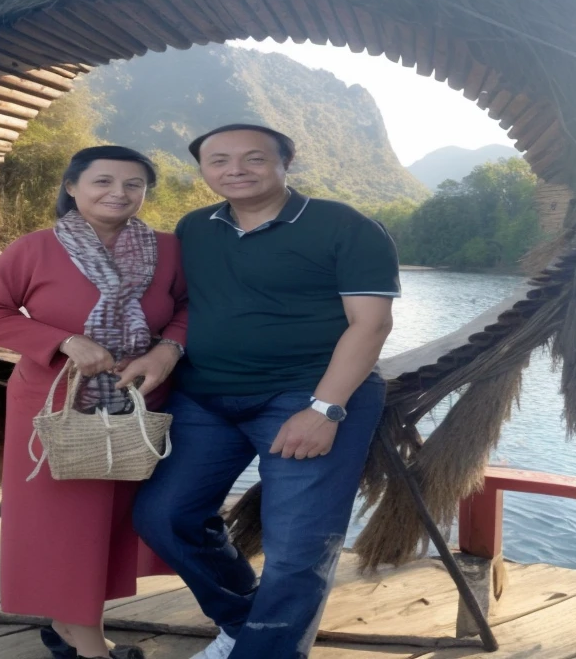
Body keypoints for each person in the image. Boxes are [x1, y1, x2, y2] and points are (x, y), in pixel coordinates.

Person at [126, 125, 399, 659]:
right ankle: (245, 625)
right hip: (205, 398)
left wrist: (324, 409)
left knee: (297, 547)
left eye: (254, 158)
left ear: (285, 163)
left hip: (306, 395)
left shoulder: (345, 226)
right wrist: (162, 350)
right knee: (164, 517)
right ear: (202, 170)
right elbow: (181, 306)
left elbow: (371, 325)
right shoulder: (196, 228)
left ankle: (266, 651)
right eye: (219, 160)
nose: (236, 169)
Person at [0, 145, 188, 659]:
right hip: (53, 404)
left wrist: (164, 351)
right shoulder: (35, 249)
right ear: (72, 188)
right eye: (103, 181)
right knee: (64, 524)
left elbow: (187, 310)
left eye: (133, 184)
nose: (119, 193)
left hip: (139, 402)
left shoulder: (168, 249)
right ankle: (88, 646)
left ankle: (73, 628)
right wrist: (64, 341)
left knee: (113, 520)